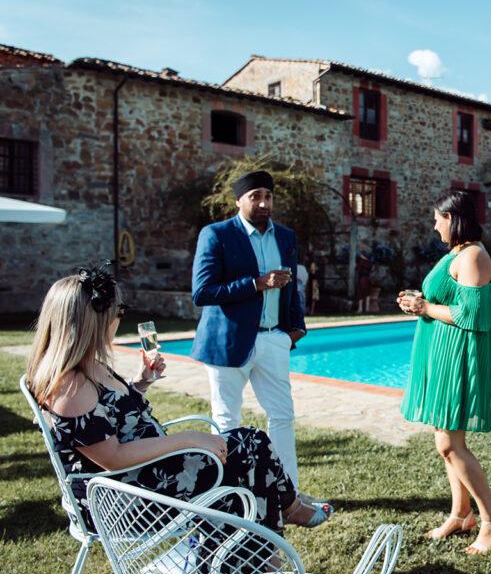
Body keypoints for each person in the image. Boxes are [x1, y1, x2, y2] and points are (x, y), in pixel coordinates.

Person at [26, 267, 330, 533]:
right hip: (122, 501)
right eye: (118, 313)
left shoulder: (88, 367)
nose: (120, 319)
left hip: (146, 477)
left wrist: (141, 382)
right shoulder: (70, 386)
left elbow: (109, 421)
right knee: (249, 449)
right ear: (92, 321)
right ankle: (281, 522)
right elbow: (112, 456)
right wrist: (188, 440)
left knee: (247, 452)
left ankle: (255, 556)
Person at [190, 171, 323, 509]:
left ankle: (288, 495)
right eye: (255, 196)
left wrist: (296, 327)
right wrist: (256, 284)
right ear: (238, 200)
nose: (263, 202)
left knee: (282, 416)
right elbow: (202, 291)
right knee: (226, 420)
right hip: (227, 342)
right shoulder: (216, 234)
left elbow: (293, 288)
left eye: (268, 195)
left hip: (274, 340)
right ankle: (231, 496)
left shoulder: (286, 236)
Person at [397, 191, 491, 554]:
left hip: (460, 357)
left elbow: (473, 316)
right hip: (443, 354)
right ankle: (461, 515)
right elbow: (450, 303)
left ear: (452, 218)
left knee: (449, 443)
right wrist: (420, 303)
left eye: (437, 218)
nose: (434, 225)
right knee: (443, 444)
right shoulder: (457, 254)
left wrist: (425, 306)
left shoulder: (474, 255)